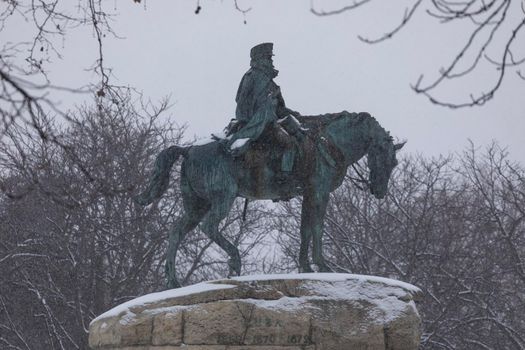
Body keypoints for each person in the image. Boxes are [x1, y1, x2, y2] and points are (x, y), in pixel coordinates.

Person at [228, 42, 300, 180]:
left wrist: (290, 113)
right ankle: (282, 179)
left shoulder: (270, 81)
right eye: (268, 58)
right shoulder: (251, 76)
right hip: (258, 123)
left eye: (271, 58)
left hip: (271, 121)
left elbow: (278, 108)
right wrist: (251, 119)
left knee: (298, 134)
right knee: (289, 144)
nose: (271, 61)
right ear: (259, 59)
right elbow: (241, 102)